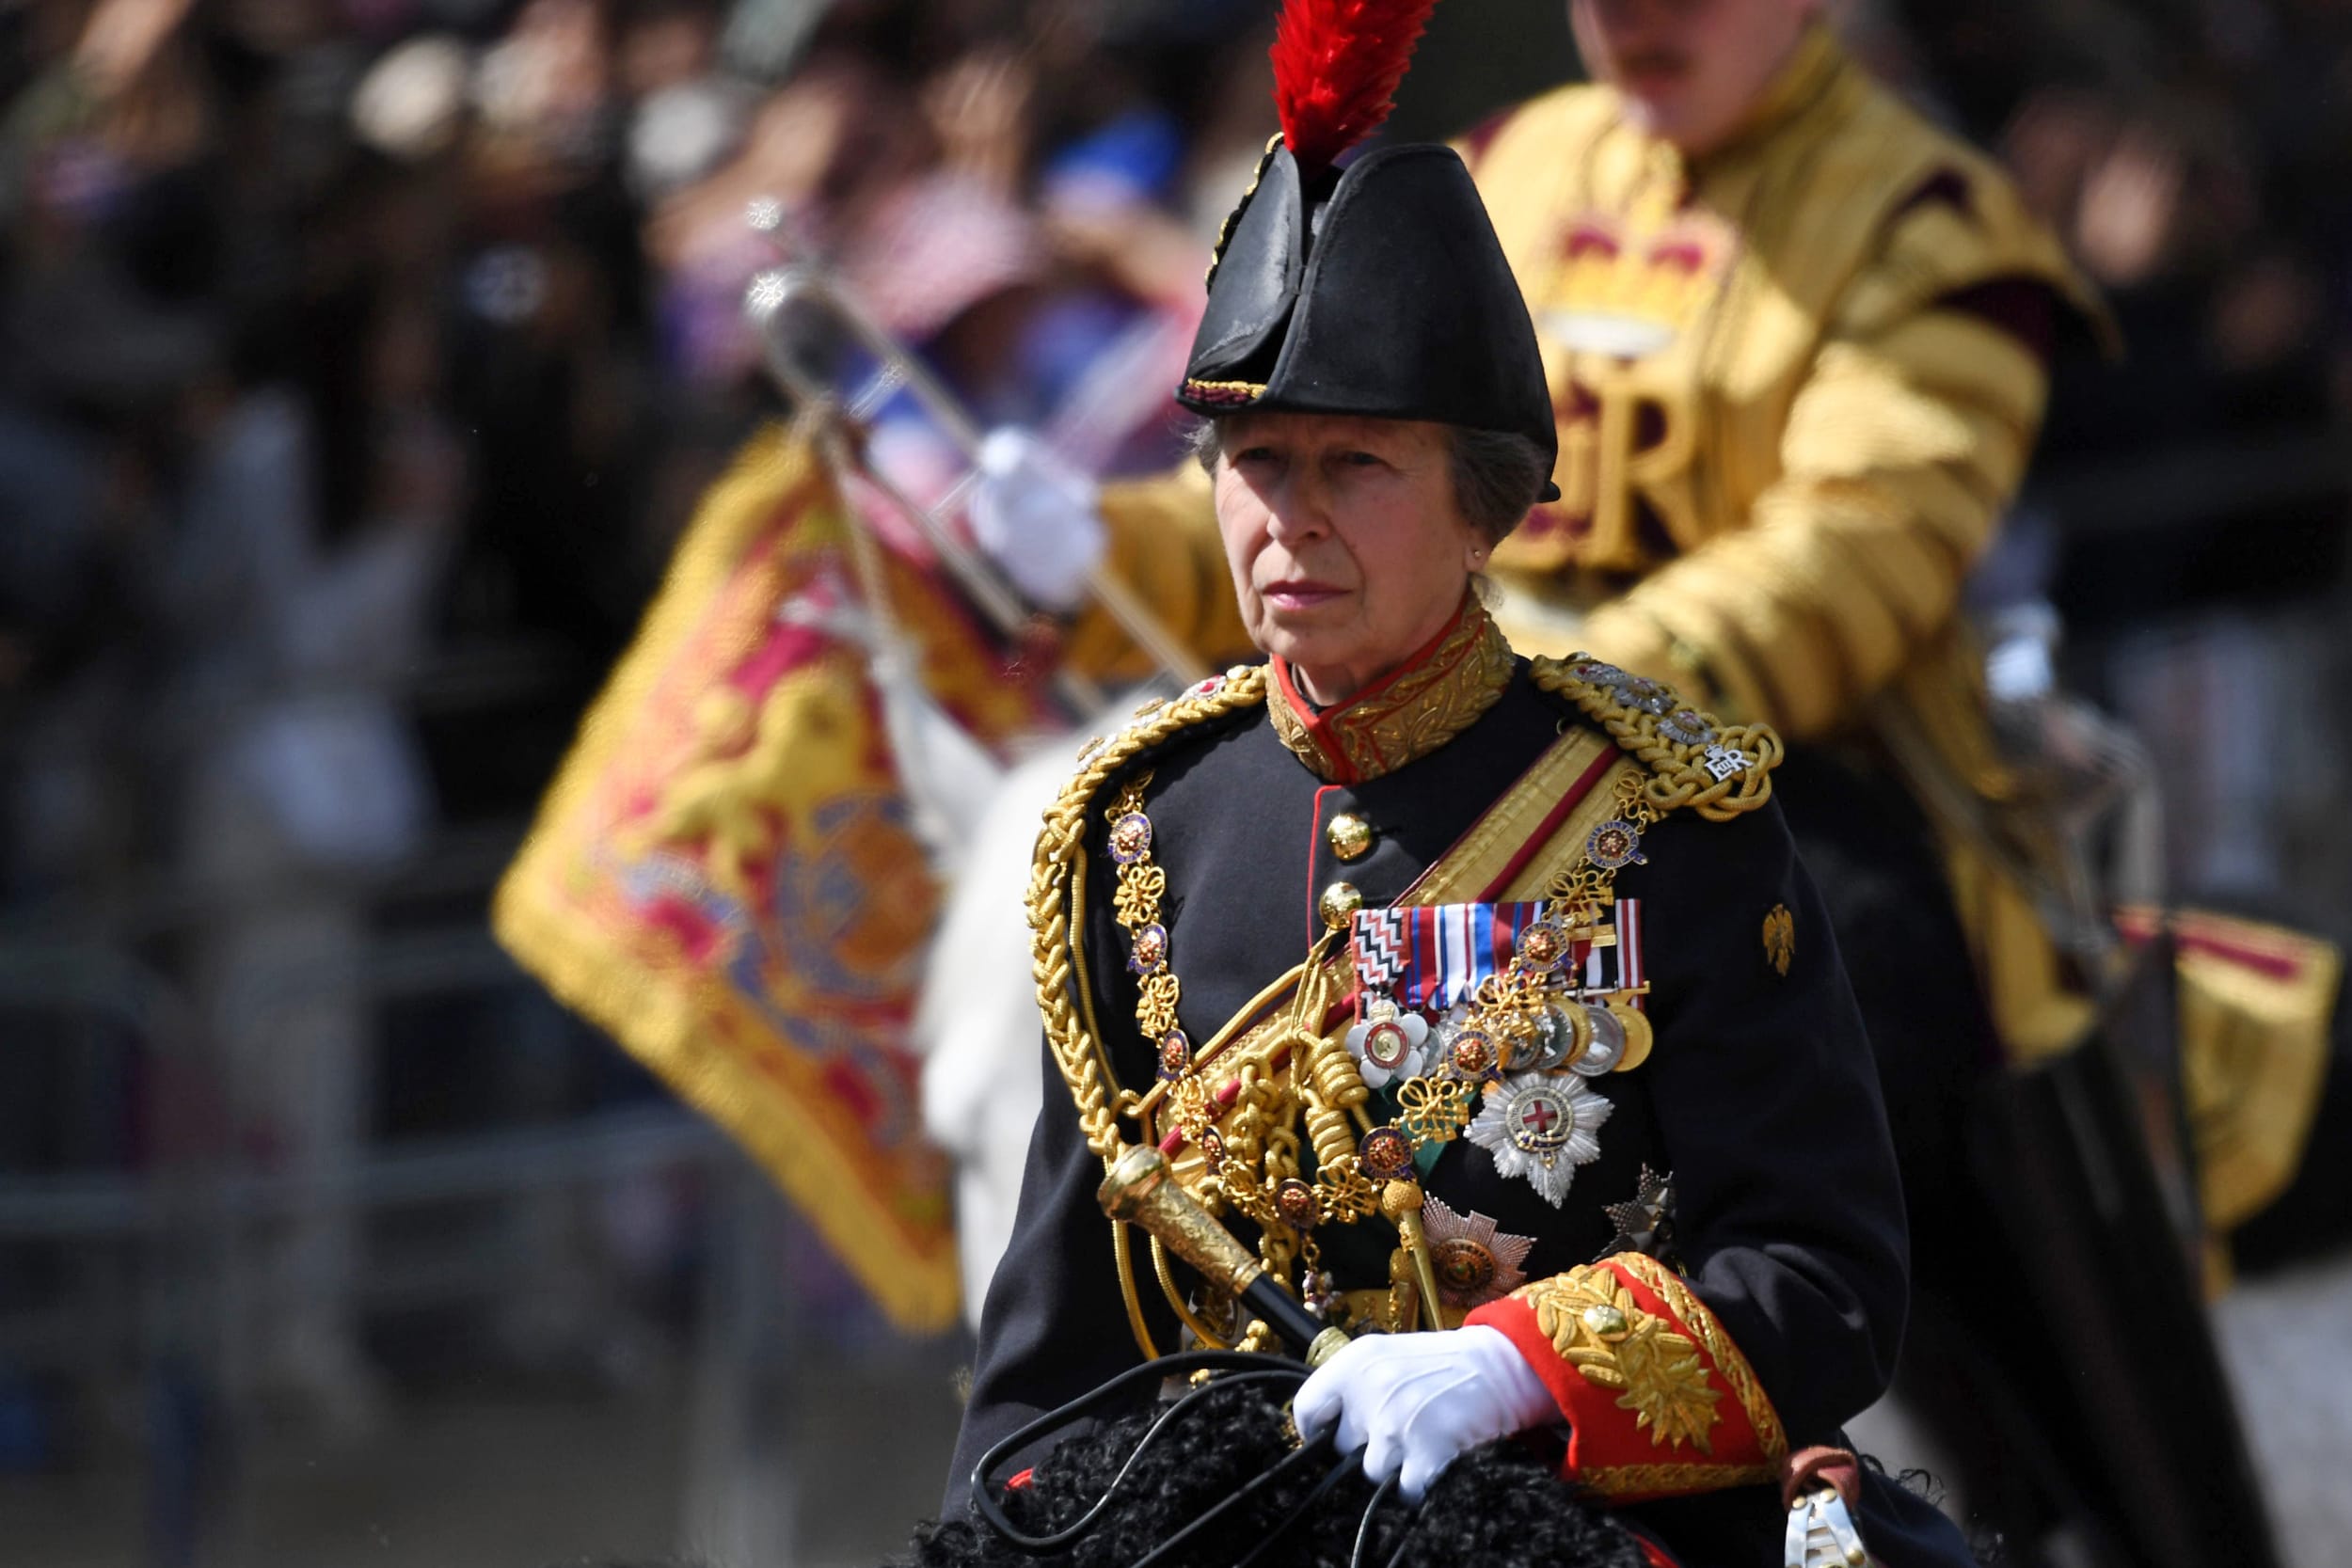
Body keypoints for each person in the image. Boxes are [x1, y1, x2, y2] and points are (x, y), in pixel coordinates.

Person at [974, 5, 2308, 1559]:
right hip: (1454, 708)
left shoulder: (1923, 219)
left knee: (1884, 990)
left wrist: (1539, 686)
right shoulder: (1525, 162)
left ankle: (2089, 1509)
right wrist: (1103, 548)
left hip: (1797, 761)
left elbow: (1847, 565)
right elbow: (1330, 439)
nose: (1643, 22)